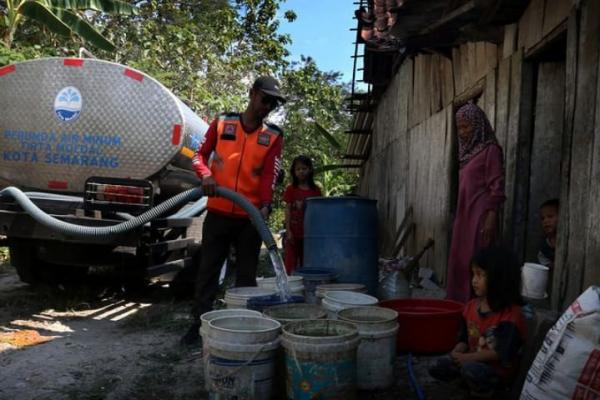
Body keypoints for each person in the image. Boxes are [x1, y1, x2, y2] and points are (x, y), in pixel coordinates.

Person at [181, 76, 285, 345]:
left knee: (246, 276)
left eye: (273, 104)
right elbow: (198, 155)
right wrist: (205, 175)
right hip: (217, 212)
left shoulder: (272, 136)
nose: (267, 107)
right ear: (252, 93)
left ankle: (243, 326)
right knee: (208, 272)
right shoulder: (223, 122)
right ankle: (199, 325)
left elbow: (268, 177)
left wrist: (265, 205)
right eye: (265, 100)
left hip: (248, 218)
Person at [429, 247, 527, 398]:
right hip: (470, 362)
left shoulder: (511, 315)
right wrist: (457, 351)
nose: (474, 280)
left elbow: (500, 353)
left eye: (480, 275)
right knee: (438, 366)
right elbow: (464, 338)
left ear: (499, 278)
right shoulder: (470, 307)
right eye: (473, 274)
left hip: (496, 372)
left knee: (472, 371)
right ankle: (467, 385)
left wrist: (467, 358)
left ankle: (489, 392)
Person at [446, 102, 505, 303]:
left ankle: (476, 308)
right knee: (459, 262)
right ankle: (458, 308)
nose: (462, 132)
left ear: (478, 125)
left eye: (466, 126)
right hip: (464, 215)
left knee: (476, 262)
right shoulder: (466, 155)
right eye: (459, 127)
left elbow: (497, 186)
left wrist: (491, 216)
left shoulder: (491, 151)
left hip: (480, 216)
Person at [283, 155, 322, 274]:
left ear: (310, 169)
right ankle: (290, 285)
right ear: (294, 172)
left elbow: (319, 212)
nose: (301, 172)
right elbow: (288, 210)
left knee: (308, 261)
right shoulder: (290, 189)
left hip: (310, 234)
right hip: (293, 233)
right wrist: (288, 230)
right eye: (298, 169)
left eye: (304, 168)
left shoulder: (316, 190)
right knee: (291, 262)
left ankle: (307, 285)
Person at [537, 198, 559, 269]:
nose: (545, 221)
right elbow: (543, 260)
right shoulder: (544, 246)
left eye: (550, 216)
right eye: (542, 218)